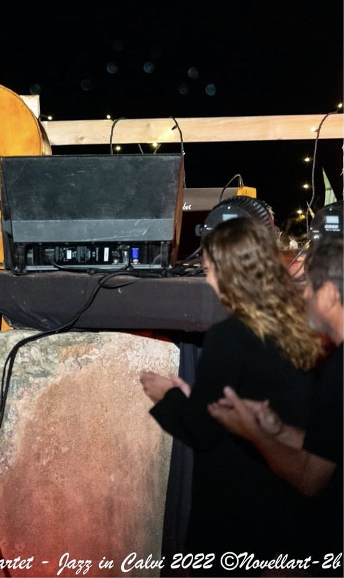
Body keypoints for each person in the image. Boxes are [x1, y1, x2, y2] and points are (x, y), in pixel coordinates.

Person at [140, 217, 323, 567]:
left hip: (234, 509)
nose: (208, 280)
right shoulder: (297, 326)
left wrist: (167, 397)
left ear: (230, 273)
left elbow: (202, 431)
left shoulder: (229, 335)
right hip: (282, 504)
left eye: (210, 271)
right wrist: (192, 396)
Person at [207, 233, 342, 563]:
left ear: (329, 294)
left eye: (311, 287)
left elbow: (310, 480)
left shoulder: (338, 373)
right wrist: (277, 429)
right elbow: (328, 451)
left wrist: (253, 434)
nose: (304, 294)